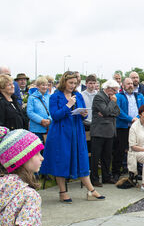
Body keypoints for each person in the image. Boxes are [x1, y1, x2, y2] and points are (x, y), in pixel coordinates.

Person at [40, 72, 104, 202]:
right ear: (64, 82)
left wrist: (84, 114)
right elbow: (55, 116)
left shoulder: (78, 95)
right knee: (61, 161)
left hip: (76, 132)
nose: (72, 85)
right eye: (70, 83)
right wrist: (68, 105)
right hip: (61, 133)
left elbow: (83, 113)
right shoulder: (55, 97)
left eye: (75, 83)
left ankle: (91, 190)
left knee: (81, 159)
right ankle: (62, 192)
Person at [112, 78, 144, 179]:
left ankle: (136, 172)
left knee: (137, 149)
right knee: (120, 150)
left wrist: (138, 118)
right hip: (123, 127)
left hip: (137, 127)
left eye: (131, 83)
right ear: (123, 86)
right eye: (128, 84)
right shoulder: (118, 96)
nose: (130, 85)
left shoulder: (139, 95)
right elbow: (118, 111)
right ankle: (116, 172)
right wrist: (130, 119)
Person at [90, 80, 120, 186]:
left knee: (107, 156)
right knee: (96, 157)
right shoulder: (99, 97)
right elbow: (106, 111)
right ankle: (94, 179)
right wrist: (112, 103)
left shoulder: (111, 98)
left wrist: (108, 112)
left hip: (109, 131)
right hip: (99, 131)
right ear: (108, 88)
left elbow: (117, 112)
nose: (115, 93)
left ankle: (106, 177)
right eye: (114, 90)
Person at [26, 76, 52, 144]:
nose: (45, 87)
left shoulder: (49, 97)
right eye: (43, 85)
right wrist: (41, 120)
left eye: (46, 85)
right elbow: (30, 112)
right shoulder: (32, 98)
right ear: (37, 86)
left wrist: (49, 119)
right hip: (36, 129)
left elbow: (53, 110)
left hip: (48, 129)